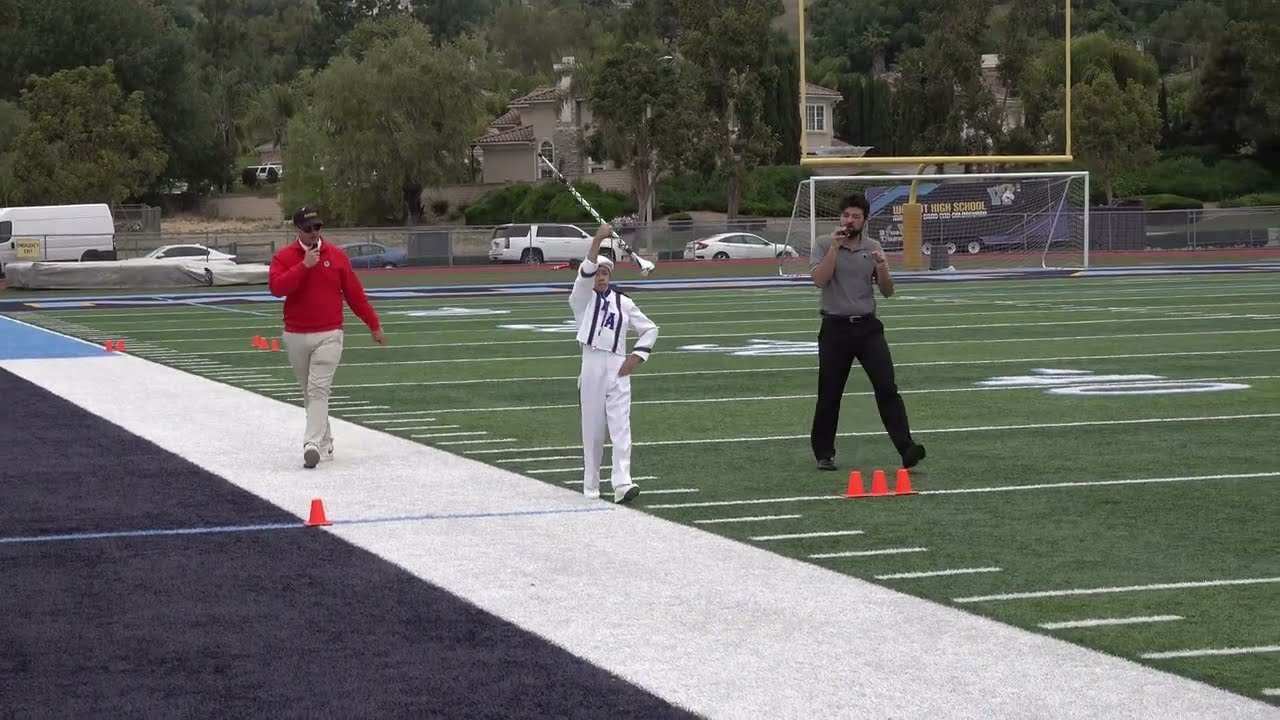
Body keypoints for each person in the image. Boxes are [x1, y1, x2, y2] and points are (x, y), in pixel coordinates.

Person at [808, 192, 925, 472]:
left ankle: (907, 448)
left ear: (865, 221)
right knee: (829, 394)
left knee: (887, 388)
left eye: (856, 216)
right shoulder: (823, 243)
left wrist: (882, 266)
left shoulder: (872, 246)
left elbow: (887, 291)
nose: (850, 220)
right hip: (835, 328)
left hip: (867, 328)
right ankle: (824, 453)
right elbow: (819, 280)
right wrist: (834, 248)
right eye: (846, 215)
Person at [269, 206, 386, 468]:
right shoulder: (284, 257)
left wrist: (373, 324)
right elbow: (277, 288)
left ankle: (311, 443)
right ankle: (325, 440)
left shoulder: (337, 256)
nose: (314, 232)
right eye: (308, 228)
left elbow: (355, 294)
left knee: (318, 389)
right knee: (310, 394)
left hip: (330, 333)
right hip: (296, 334)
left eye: (318, 227)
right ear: (297, 229)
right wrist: (304, 266)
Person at [569, 223, 659, 503]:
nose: (600, 277)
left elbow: (650, 329)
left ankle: (622, 483)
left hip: (619, 367)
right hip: (592, 364)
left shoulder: (624, 302)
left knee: (621, 428)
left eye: (605, 273)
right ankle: (591, 486)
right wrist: (597, 240)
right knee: (593, 430)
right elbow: (584, 273)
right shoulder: (581, 299)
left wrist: (636, 357)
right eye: (597, 273)